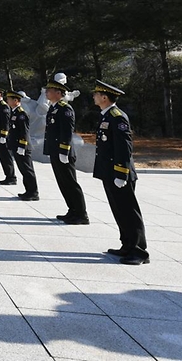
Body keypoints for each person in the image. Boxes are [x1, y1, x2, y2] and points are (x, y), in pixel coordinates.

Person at [93, 80, 149, 265]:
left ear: (104, 97)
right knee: (119, 210)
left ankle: (139, 251)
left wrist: (121, 173)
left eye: (96, 94)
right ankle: (127, 245)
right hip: (109, 172)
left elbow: (125, 148)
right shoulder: (106, 115)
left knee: (129, 211)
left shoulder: (117, 117)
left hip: (119, 173)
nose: (93, 96)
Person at [44, 76, 88, 224]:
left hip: (64, 152)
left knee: (70, 183)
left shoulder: (65, 108)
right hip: (55, 151)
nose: (46, 93)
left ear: (58, 92)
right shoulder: (54, 108)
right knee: (63, 182)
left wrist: (64, 151)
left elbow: (67, 132)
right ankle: (72, 210)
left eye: (49, 90)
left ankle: (81, 214)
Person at [7, 91, 38, 200]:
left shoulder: (21, 114)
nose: (8, 101)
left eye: (9, 99)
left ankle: (33, 192)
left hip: (22, 147)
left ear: (16, 101)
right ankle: (28, 190)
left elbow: (24, 132)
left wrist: (22, 146)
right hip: (17, 145)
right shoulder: (14, 112)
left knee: (27, 170)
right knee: (23, 169)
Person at [0, 87, 15, 185]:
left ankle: (11, 177)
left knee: (6, 157)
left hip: (2, 137)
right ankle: (8, 176)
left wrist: (4, 135)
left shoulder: (3, 107)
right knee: (2, 156)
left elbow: (5, 123)